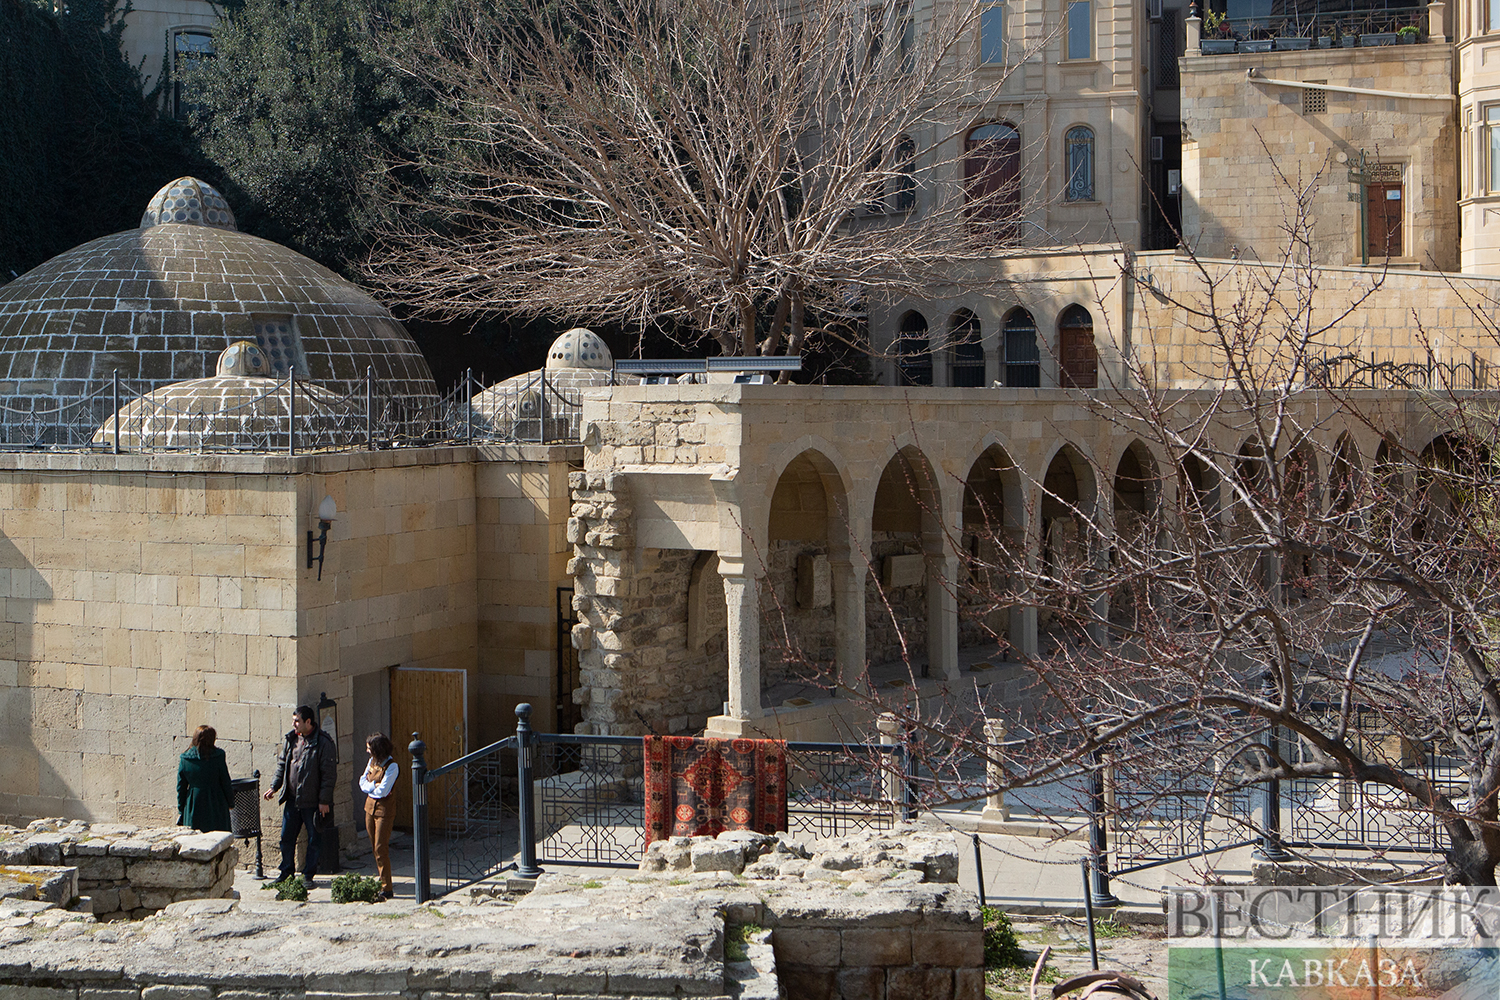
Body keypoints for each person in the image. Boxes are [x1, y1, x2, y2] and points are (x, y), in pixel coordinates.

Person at [263, 705, 337, 886]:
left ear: (308, 722)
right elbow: (282, 764)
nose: (293, 724)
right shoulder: (291, 739)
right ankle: (286, 872)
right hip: (292, 799)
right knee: (286, 838)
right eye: (293, 720)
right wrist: (274, 786)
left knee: (314, 839)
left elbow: (328, 775)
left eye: (297, 721)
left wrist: (324, 801)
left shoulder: (323, 743)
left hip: (312, 802)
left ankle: (308, 875)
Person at [359, 733, 398, 900]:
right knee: (374, 847)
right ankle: (381, 880)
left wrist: (372, 786)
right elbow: (361, 782)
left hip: (384, 811)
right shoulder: (372, 762)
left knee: (380, 847)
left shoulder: (392, 766)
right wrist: (372, 785)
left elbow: (384, 791)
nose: (367, 751)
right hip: (369, 809)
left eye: (369, 748)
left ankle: (386, 887)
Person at [177, 725, 233, 832]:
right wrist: (230, 803)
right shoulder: (219, 756)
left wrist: (181, 809)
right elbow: (225, 781)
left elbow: (181, 787)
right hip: (216, 801)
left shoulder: (185, 759)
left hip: (194, 803)